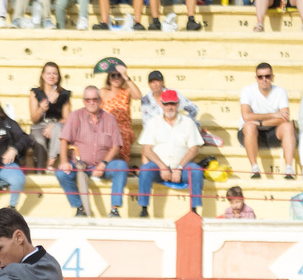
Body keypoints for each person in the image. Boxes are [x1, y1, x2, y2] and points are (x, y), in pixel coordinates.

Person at [55, 85, 129, 217]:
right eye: (88, 100)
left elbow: (116, 145)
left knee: (121, 166)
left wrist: (103, 163)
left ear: (100, 100)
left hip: (103, 165)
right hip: (79, 165)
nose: (91, 102)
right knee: (61, 173)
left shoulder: (110, 119)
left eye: (94, 99)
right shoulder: (75, 116)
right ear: (84, 101)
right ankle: (79, 208)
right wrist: (64, 161)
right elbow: (64, 139)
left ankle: (114, 209)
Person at [136, 88, 205, 217]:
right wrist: (162, 167)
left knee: (196, 171)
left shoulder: (188, 123)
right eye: (166, 104)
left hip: (182, 167)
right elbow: (146, 149)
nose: (169, 107)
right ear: (161, 104)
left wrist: (179, 167)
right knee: (145, 170)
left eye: (172, 104)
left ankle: (194, 210)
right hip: (158, 166)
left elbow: (194, 149)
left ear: (178, 104)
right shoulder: (153, 122)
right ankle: (144, 209)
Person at [239, 62, 296, 179]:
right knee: (249, 127)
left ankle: (289, 168)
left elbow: (285, 118)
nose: (264, 79)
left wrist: (260, 122)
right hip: (250, 133)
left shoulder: (280, 92)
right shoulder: (247, 91)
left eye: (267, 76)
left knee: (288, 126)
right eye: (260, 77)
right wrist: (273, 115)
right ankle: (254, 168)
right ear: (256, 78)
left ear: (272, 77)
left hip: (272, 132)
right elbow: (246, 116)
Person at [28, 62, 72, 169]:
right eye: (48, 73)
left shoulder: (64, 94)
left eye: (55, 74)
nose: (51, 76)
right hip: (39, 126)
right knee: (39, 140)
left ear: (58, 76)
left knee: (58, 129)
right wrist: (41, 109)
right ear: (43, 75)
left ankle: (51, 162)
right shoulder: (35, 93)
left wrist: (53, 124)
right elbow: (34, 119)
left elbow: (67, 118)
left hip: (57, 125)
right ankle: (39, 170)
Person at [100, 62, 140, 163]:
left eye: (119, 75)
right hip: (106, 127)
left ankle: (121, 165)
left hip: (123, 128)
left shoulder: (126, 92)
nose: (116, 78)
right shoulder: (103, 92)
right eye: (113, 75)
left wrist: (126, 76)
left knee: (120, 133)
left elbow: (138, 95)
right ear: (109, 78)